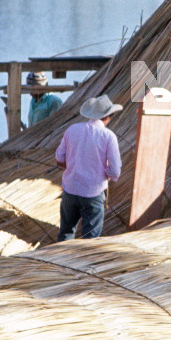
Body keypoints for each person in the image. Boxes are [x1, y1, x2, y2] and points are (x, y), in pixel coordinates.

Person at [55, 95, 123, 240]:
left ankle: (58, 258)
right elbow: (115, 171)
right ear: (108, 117)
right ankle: (82, 262)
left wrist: (75, 166)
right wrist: (105, 174)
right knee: (90, 238)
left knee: (66, 232)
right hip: (93, 192)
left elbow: (59, 159)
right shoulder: (108, 136)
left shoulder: (72, 130)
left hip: (70, 189)